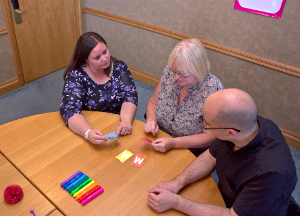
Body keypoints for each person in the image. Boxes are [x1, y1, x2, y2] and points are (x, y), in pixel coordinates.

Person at [147, 88, 297, 216]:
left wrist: (176, 202)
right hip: (229, 196)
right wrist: (178, 182)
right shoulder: (245, 126)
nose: (204, 126)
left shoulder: (270, 174)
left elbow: (233, 215)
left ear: (230, 133)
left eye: (207, 124)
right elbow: (210, 156)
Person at [144, 38, 224, 156]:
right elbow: (153, 103)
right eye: (174, 70)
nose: (176, 77)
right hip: (160, 136)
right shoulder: (169, 74)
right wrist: (151, 120)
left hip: (189, 149)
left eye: (182, 74)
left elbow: (209, 137)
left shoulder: (213, 90)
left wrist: (174, 143)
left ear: (199, 70)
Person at [60, 32, 138, 145]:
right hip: (88, 125)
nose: (105, 58)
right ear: (86, 59)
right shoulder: (76, 75)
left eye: (105, 52)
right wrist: (87, 132)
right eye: (97, 57)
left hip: (118, 125)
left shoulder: (119, 67)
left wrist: (126, 120)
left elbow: (130, 96)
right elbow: (69, 109)